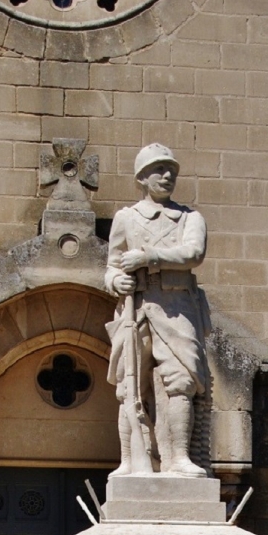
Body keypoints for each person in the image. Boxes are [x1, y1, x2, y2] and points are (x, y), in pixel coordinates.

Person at [105, 143, 210, 477]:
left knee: (181, 381)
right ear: (142, 177)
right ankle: (129, 460)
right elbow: (111, 266)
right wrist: (114, 282)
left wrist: (148, 257)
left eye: (172, 172)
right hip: (136, 309)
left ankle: (178, 457)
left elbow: (193, 253)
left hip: (177, 307)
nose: (167, 176)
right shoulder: (126, 218)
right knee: (129, 386)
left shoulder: (190, 218)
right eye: (159, 170)